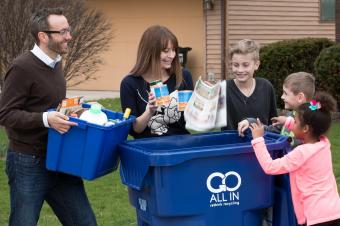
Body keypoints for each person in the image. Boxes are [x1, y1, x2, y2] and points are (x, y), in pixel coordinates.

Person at [0, 8, 97, 226]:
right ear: (43, 36)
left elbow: (47, 104)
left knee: (85, 222)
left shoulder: (56, 62)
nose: (69, 36)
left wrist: (71, 110)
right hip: (28, 162)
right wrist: (46, 118)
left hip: (61, 156)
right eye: (62, 32)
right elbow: (6, 114)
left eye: (69, 30)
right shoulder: (21, 67)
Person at [250, 91, 340, 226]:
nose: (293, 123)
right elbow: (304, 128)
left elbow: (270, 167)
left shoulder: (301, 153)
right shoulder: (323, 144)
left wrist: (258, 139)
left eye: (295, 121)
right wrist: (287, 121)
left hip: (315, 217)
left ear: (305, 128)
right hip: (333, 211)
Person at [120, 25, 194, 139]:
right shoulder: (130, 84)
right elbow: (135, 129)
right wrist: (149, 111)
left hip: (180, 146)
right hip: (149, 150)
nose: (172, 56)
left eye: (174, 50)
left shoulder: (184, 76)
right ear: (149, 53)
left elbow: (190, 120)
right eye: (166, 51)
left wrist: (203, 104)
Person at [238, 72, 315, 148]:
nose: (282, 96)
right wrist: (250, 122)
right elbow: (269, 130)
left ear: (300, 97)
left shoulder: (311, 123)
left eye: (285, 93)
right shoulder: (290, 116)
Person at [223, 39, 277, 131]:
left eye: (245, 65)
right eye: (236, 65)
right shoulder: (223, 88)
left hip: (263, 144)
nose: (240, 70)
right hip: (232, 144)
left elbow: (273, 123)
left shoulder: (266, 87)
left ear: (256, 64)